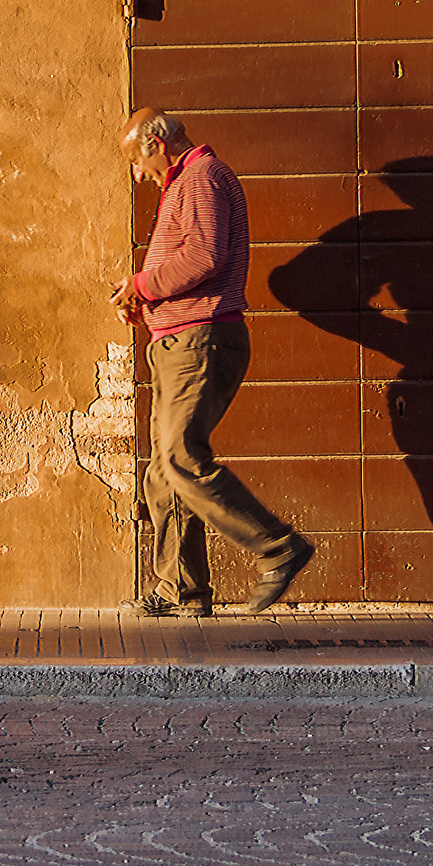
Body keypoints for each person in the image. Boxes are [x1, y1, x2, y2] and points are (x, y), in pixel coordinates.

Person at [110, 107, 314, 615]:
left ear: (156, 145)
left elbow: (204, 257)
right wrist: (143, 300)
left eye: (136, 161)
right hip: (177, 341)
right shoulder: (186, 181)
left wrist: (142, 285)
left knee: (181, 457)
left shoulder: (202, 177)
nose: (139, 175)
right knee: (163, 474)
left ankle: (278, 547)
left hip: (200, 341)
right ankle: (181, 589)